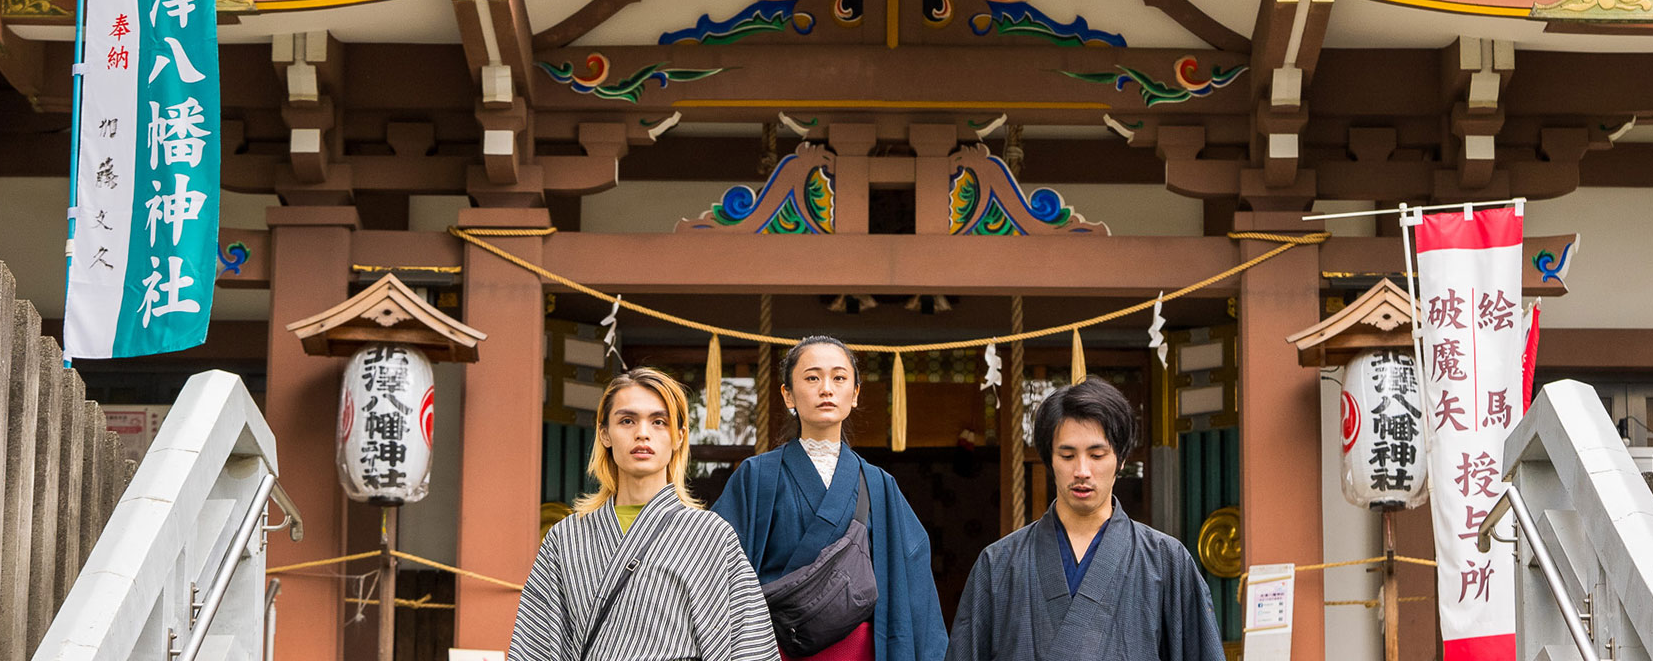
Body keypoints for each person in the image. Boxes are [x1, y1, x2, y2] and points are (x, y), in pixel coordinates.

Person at [508, 367, 779, 661]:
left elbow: (747, 643)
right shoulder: (566, 538)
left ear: (679, 436)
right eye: (627, 420)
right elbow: (533, 647)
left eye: (659, 422)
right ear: (604, 434)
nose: (642, 433)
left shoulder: (710, 536)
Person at [946, 377, 1224, 661]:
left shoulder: (1166, 561)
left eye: (1097, 455)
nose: (1082, 471)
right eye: (1067, 456)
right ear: (1049, 459)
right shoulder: (999, 565)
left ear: (1122, 459)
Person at [713, 335, 948, 661]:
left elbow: (912, 577)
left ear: (854, 394)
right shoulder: (756, 476)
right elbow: (715, 569)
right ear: (788, 395)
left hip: (858, 652)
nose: (826, 388)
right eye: (812, 377)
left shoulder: (880, 485)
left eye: (839, 378)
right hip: (774, 650)